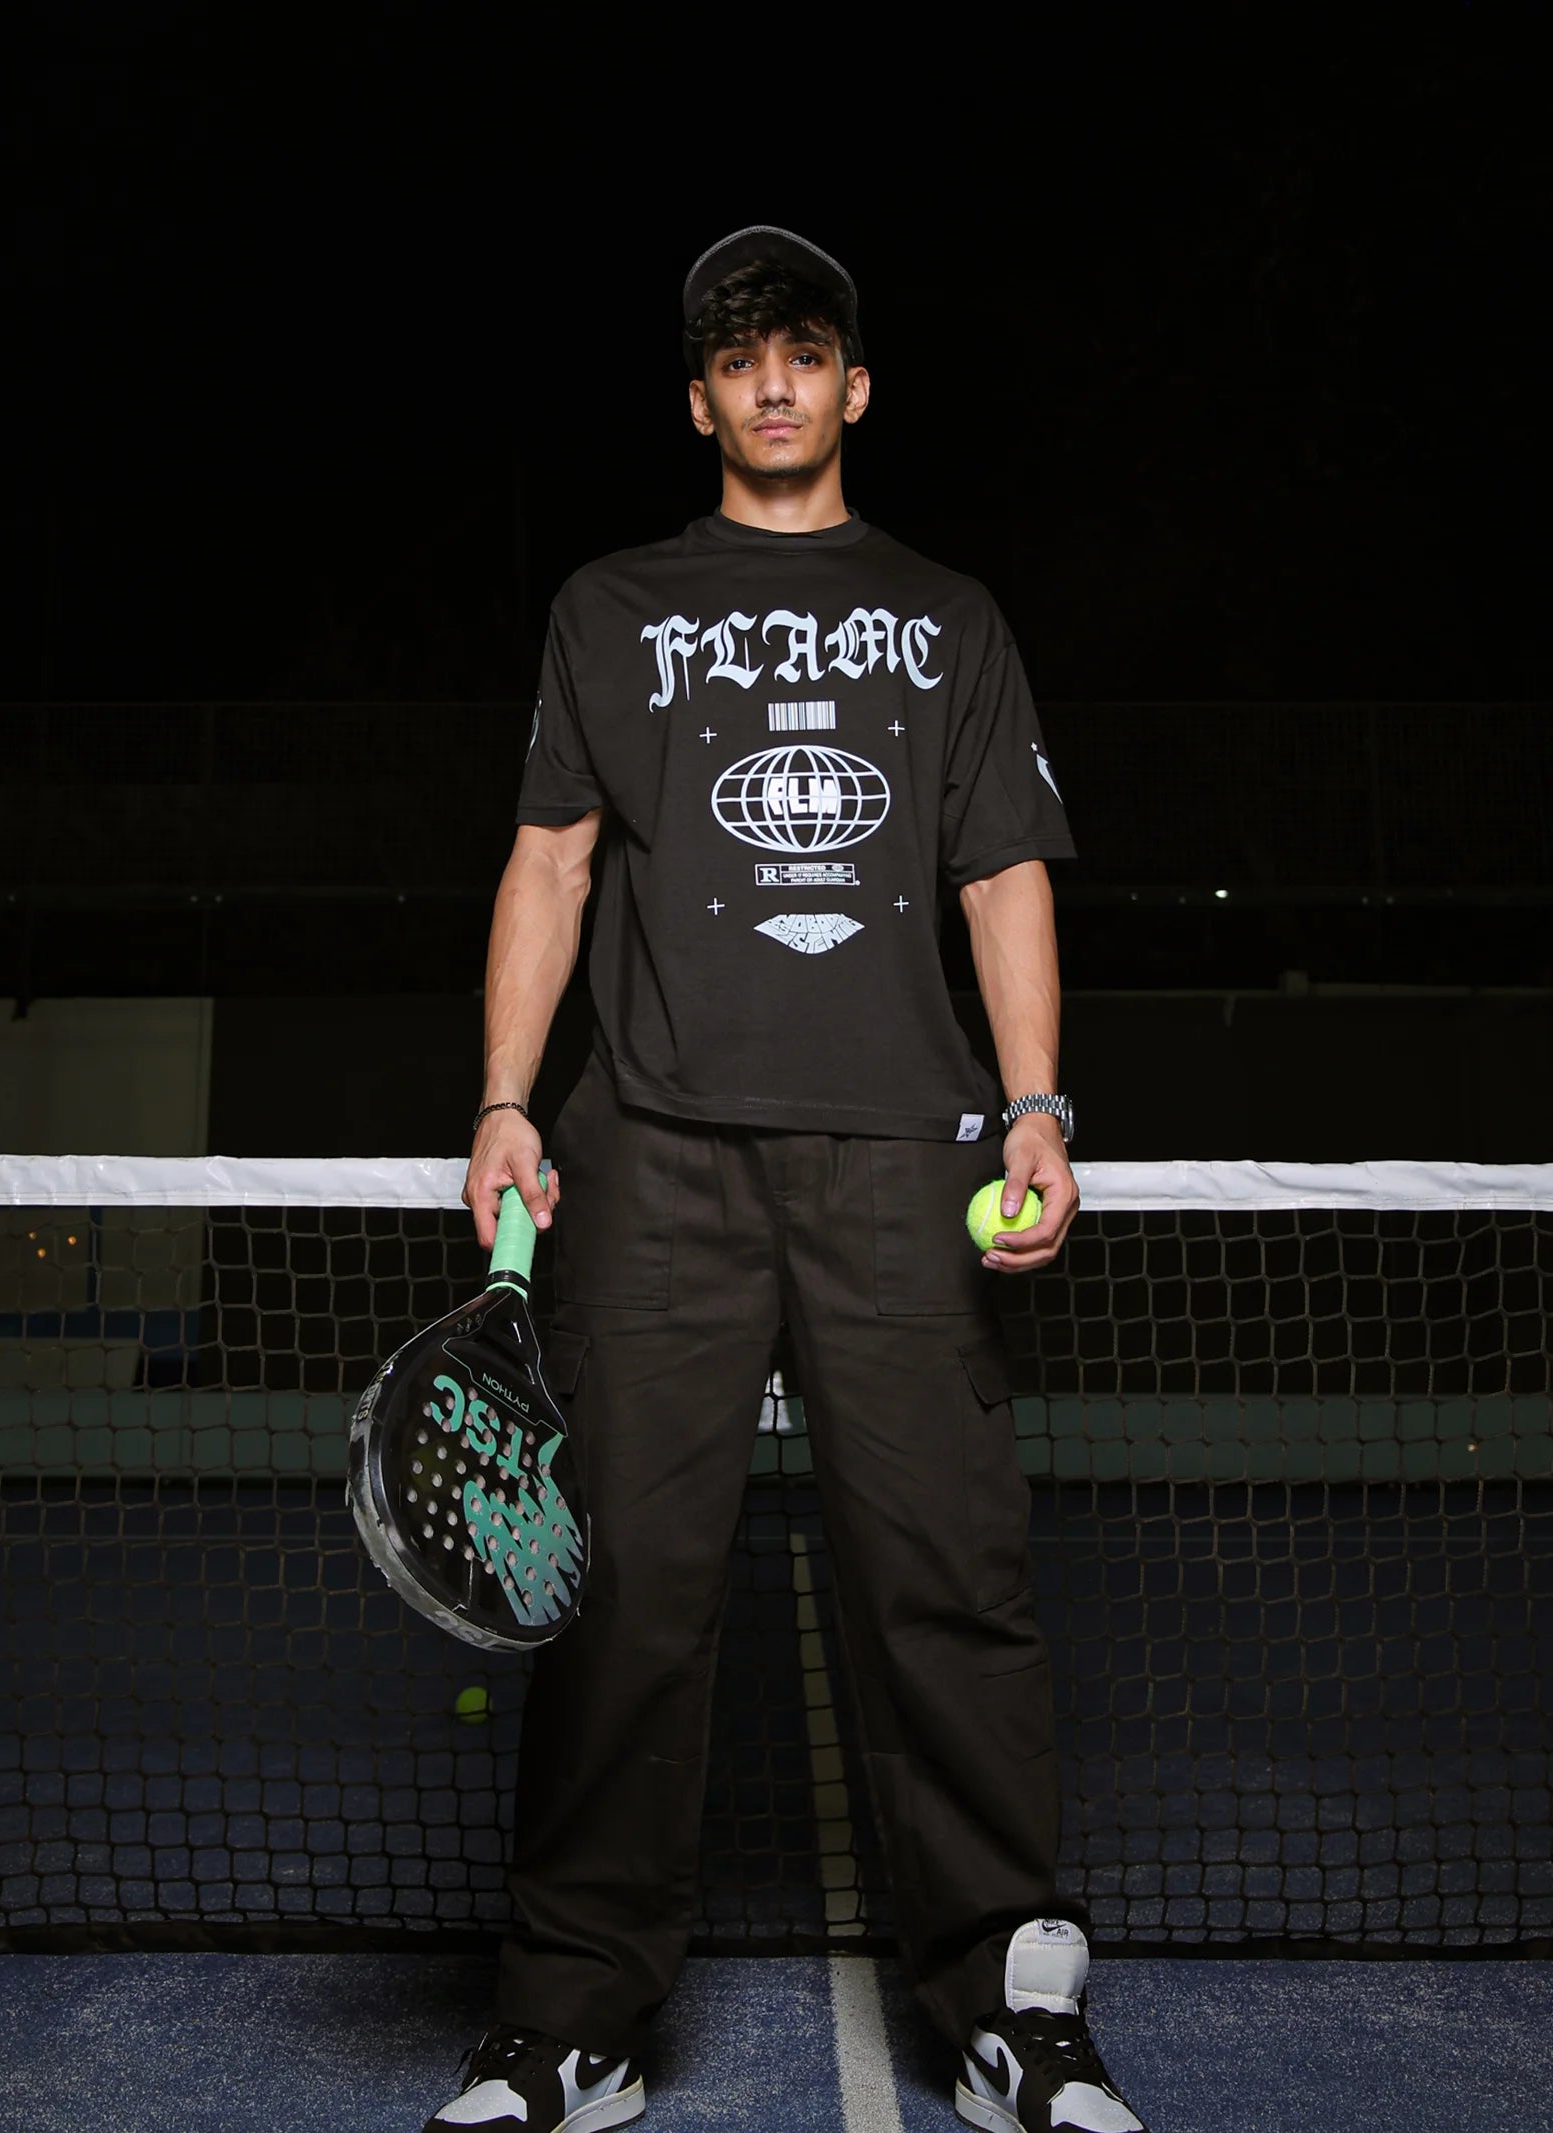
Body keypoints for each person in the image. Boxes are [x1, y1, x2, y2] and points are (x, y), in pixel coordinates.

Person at [428, 226, 1148, 2133]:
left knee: (948, 1585)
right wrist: (505, 1097)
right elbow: (552, 865)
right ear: (698, 398)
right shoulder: (610, 605)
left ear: (851, 388)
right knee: (624, 1595)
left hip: (904, 1165)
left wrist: (1037, 1102)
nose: (771, 381)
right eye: (738, 355)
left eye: (804, 350)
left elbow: (1005, 873)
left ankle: (1011, 2000)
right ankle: (571, 2018)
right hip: (651, 1159)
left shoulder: (949, 614)